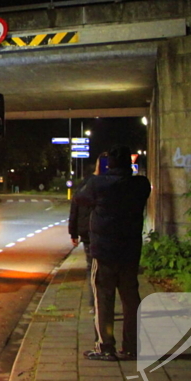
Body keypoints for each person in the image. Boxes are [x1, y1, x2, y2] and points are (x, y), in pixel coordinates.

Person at [72, 145, 151, 362]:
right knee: (131, 300)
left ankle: (105, 347)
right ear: (130, 163)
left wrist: (98, 173)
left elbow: (80, 198)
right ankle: (132, 347)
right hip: (130, 251)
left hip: (104, 251)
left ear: (109, 165)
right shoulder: (140, 185)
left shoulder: (98, 184)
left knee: (103, 299)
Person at [68, 158, 102, 311]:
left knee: (93, 270)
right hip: (92, 233)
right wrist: (73, 232)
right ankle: (97, 304)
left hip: (89, 232)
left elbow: (75, 207)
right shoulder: (111, 184)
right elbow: (75, 206)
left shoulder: (85, 183)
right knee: (97, 269)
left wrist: (73, 232)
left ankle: (96, 305)